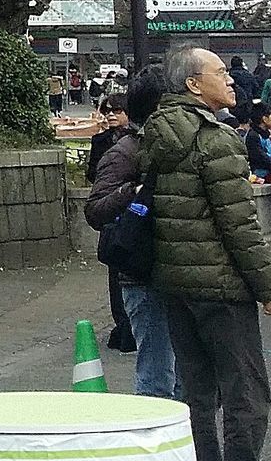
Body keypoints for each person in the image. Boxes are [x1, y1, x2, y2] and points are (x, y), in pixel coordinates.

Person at [141, 46, 271, 461]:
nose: (231, 78)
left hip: (175, 282)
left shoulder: (158, 131)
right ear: (194, 85)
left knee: (195, 392)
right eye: (220, 72)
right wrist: (266, 286)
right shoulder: (217, 139)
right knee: (245, 395)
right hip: (222, 286)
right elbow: (239, 226)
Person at [85, 70, 180, 398]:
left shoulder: (176, 146)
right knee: (157, 375)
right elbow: (95, 211)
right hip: (142, 274)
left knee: (184, 378)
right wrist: (135, 190)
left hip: (178, 271)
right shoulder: (124, 152)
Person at [86, 91, 135, 352]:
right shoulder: (101, 141)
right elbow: (92, 174)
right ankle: (122, 327)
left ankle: (130, 329)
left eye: (118, 111)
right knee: (115, 277)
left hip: (133, 214)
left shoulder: (137, 141)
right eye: (108, 111)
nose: (113, 116)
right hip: (111, 216)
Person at [245, 102, 271, 180]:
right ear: (264, 119)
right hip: (261, 173)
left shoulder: (266, 134)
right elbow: (261, 158)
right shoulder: (253, 135)